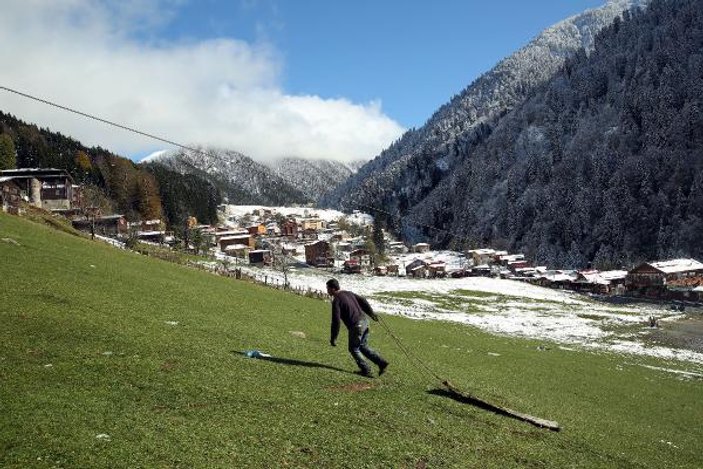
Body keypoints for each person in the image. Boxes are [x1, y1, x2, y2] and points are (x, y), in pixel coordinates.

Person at [326, 278, 389, 377]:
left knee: (353, 348)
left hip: (356, 325)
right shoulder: (349, 293)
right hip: (364, 321)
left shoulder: (336, 300)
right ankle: (382, 363)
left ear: (333, 289)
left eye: (328, 288)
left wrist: (333, 338)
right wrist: (371, 314)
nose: (327, 291)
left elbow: (336, 321)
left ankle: (366, 370)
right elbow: (363, 301)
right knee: (363, 347)